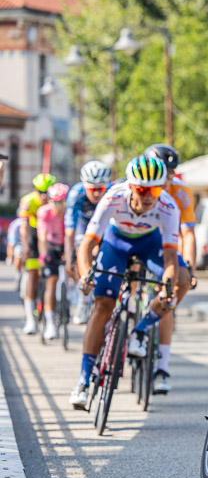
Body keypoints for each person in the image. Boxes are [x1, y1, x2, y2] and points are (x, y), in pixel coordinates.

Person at [70, 156, 181, 409]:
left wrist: (167, 286)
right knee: (102, 306)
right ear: (131, 186)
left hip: (149, 243)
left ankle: (141, 330)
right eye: (142, 189)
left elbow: (172, 257)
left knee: (178, 283)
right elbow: (87, 244)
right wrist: (87, 275)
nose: (148, 195)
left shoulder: (168, 206)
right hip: (116, 242)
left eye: (155, 189)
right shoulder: (113, 197)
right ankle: (84, 381)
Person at [142, 144, 197, 395]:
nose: (169, 178)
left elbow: (187, 233)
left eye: (172, 173)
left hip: (167, 247)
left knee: (170, 297)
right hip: (140, 241)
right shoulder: (137, 183)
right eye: (166, 172)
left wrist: (191, 267)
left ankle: (162, 368)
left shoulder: (181, 192)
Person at [65, 161, 112, 324]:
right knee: (81, 250)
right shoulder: (76, 193)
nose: (97, 193)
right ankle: (83, 300)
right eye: (92, 189)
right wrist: (68, 256)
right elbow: (70, 230)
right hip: (84, 224)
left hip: (106, 223)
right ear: (84, 186)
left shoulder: (113, 192)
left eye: (100, 189)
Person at [18, 173, 56, 334]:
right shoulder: (28, 201)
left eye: (47, 192)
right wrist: (26, 247)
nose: (43, 195)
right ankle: (30, 320)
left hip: (50, 236)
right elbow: (24, 227)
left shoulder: (56, 202)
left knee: (51, 279)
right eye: (40, 191)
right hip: (34, 236)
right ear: (34, 189)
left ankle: (51, 321)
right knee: (33, 276)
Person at [35, 183, 69, 340]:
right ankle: (50, 323)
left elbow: (73, 235)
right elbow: (42, 236)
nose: (59, 206)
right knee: (51, 282)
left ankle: (76, 299)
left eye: (62, 202)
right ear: (50, 202)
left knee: (74, 270)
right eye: (56, 202)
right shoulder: (44, 212)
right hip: (51, 245)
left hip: (67, 244)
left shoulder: (70, 211)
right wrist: (43, 256)